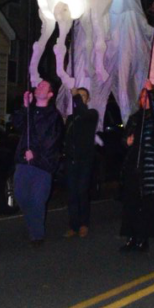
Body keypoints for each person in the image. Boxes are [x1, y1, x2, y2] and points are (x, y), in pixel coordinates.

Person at [119, 83, 154, 252]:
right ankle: (131, 237)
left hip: (149, 167)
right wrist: (126, 141)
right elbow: (125, 137)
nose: (144, 100)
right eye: (142, 97)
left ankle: (143, 239)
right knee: (131, 204)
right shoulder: (135, 118)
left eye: (147, 97)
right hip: (134, 165)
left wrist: (151, 90)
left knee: (145, 206)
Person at [12, 80, 63, 245]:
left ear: (50, 94)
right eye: (38, 84)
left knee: (37, 200)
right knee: (21, 196)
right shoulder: (30, 111)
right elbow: (16, 124)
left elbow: (51, 141)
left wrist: (34, 155)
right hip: (23, 162)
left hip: (42, 165)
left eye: (44, 86)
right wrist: (25, 106)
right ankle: (33, 224)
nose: (38, 87)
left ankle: (37, 235)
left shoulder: (54, 116)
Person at [62, 87, 99, 238]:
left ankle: (84, 224)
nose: (81, 98)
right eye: (79, 95)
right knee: (72, 193)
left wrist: (76, 97)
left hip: (85, 161)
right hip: (71, 160)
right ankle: (73, 225)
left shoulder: (91, 114)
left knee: (82, 191)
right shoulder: (71, 118)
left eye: (83, 96)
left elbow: (83, 113)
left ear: (87, 99)